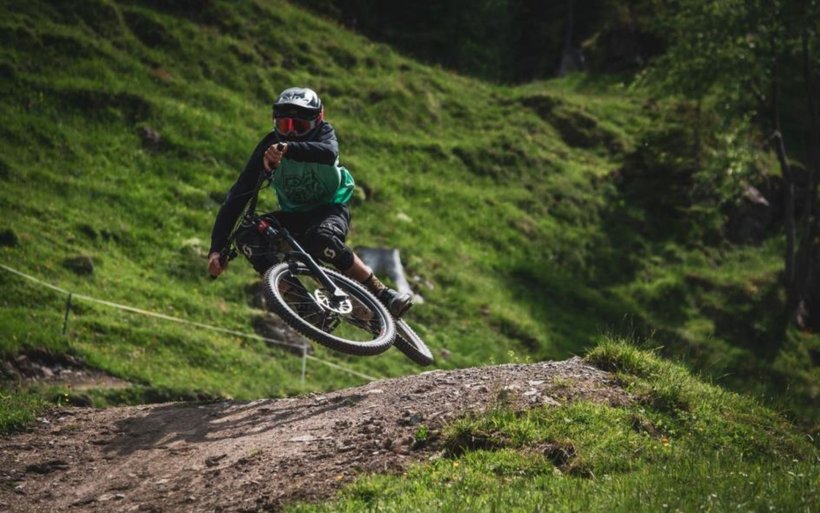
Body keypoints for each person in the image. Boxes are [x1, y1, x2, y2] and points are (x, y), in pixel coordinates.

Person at [207, 86, 413, 318]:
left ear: (318, 120)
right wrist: (216, 249)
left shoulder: (323, 134)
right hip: (294, 216)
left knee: (320, 238)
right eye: (285, 126)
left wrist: (287, 149)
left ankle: (383, 292)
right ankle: (304, 306)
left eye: (300, 127)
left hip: (329, 210)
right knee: (247, 235)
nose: (291, 133)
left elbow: (328, 152)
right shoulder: (269, 146)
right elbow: (238, 196)